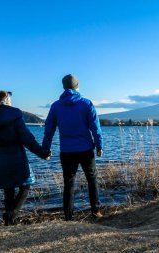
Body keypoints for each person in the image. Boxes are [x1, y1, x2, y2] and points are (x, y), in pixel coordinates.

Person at [0, 90, 51, 225]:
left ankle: (10, 221)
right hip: (17, 158)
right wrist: (43, 153)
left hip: (0, 160)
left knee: (8, 190)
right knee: (26, 185)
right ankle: (12, 214)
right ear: (8, 100)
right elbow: (27, 139)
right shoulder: (15, 114)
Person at [42, 74, 103, 221]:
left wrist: (45, 148)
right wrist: (99, 145)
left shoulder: (56, 106)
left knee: (69, 182)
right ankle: (95, 211)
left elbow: (49, 129)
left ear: (63, 87)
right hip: (86, 149)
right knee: (92, 179)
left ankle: (68, 216)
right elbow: (95, 127)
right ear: (77, 86)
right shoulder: (86, 103)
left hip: (67, 150)